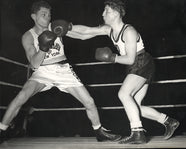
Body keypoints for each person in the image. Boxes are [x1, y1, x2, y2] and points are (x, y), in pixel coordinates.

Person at [0, 0, 121, 143]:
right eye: (43, 14)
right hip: (42, 71)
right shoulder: (28, 36)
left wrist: (103, 30)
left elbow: (82, 33)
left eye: (49, 14)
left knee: (89, 101)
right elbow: (34, 63)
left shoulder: (56, 27)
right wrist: (43, 47)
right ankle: (1, 130)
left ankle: (99, 131)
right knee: (21, 96)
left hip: (64, 70)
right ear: (33, 16)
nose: (47, 17)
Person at [65, 0, 180, 144]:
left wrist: (112, 57)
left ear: (115, 13)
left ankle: (138, 133)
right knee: (135, 106)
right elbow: (86, 33)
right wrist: (66, 29)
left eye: (106, 10)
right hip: (136, 65)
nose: (102, 14)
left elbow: (131, 59)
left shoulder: (129, 31)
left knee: (124, 94)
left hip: (141, 62)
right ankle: (168, 121)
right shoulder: (109, 30)